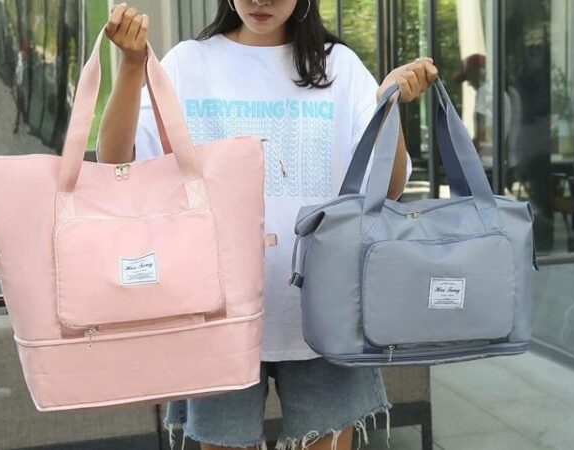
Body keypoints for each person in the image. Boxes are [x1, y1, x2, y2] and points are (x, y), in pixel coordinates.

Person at [97, 1, 437, 449]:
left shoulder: (340, 67)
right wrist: (130, 66)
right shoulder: (188, 64)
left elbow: (388, 189)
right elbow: (116, 164)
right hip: (216, 311)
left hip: (325, 309)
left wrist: (387, 107)